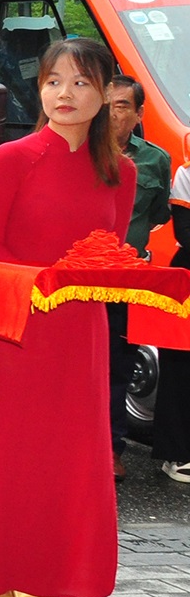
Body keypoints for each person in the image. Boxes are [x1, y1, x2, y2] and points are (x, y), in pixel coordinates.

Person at [0, 37, 134, 597]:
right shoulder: (13, 159)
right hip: (18, 332)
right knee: (9, 457)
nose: (64, 94)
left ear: (104, 94)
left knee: (63, 463)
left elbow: (112, 252)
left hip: (82, 336)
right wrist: (40, 286)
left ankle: (36, 592)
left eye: (80, 83)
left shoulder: (119, 171)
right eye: (53, 81)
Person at [105, 76, 174, 475]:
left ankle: (111, 448)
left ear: (138, 114)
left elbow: (161, 214)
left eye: (121, 107)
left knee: (120, 362)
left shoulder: (154, 160)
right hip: (79, 274)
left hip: (126, 276)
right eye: (107, 105)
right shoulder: (81, 153)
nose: (113, 114)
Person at [154, 165, 190, 483]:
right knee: (181, 363)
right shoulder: (187, 173)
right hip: (188, 278)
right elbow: (185, 232)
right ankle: (178, 452)